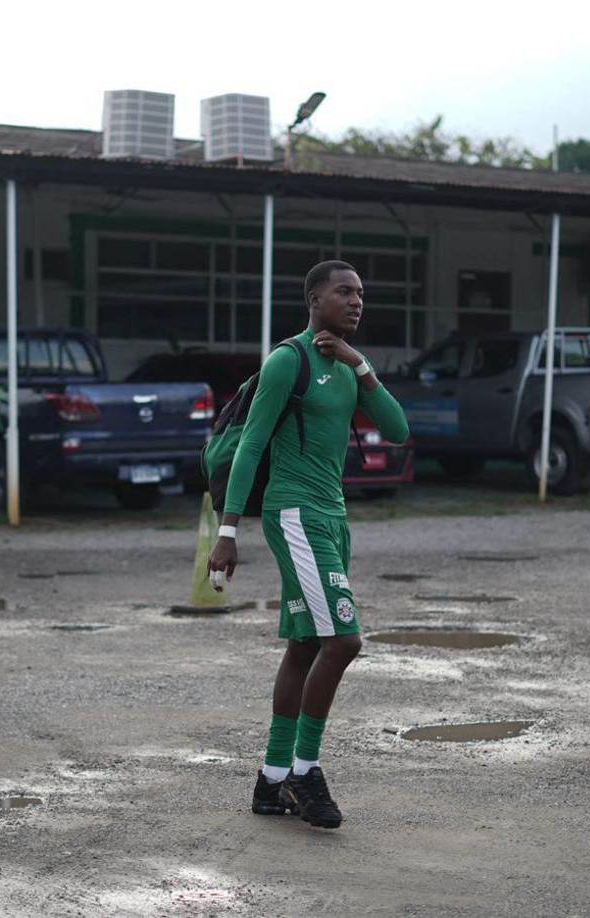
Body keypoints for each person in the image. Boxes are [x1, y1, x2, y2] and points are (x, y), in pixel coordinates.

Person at [208, 260, 409, 830]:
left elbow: (396, 429)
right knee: (344, 640)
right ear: (314, 298)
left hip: (332, 516)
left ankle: (271, 783)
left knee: (304, 646)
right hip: (293, 514)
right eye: (344, 291)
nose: (356, 301)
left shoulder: (348, 367)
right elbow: (249, 448)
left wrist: (363, 368)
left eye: (361, 292)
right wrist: (228, 531)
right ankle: (305, 771)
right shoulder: (286, 362)